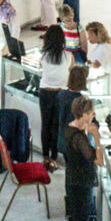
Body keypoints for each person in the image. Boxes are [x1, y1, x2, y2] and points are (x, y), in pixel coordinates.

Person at [61, 96, 100, 221]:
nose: (94, 115)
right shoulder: (78, 138)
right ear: (85, 115)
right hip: (81, 185)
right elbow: (96, 158)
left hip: (73, 181)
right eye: (92, 113)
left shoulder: (70, 128)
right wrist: (96, 137)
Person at [38, 24, 71, 164]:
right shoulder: (69, 56)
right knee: (57, 126)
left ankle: (45, 156)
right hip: (61, 94)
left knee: (45, 124)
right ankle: (54, 157)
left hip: (45, 93)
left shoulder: (43, 56)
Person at [82, 21, 111, 95]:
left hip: (101, 86)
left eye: (91, 36)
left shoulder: (105, 47)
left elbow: (96, 65)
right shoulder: (103, 46)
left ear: (99, 35)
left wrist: (87, 64)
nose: (88, 38)